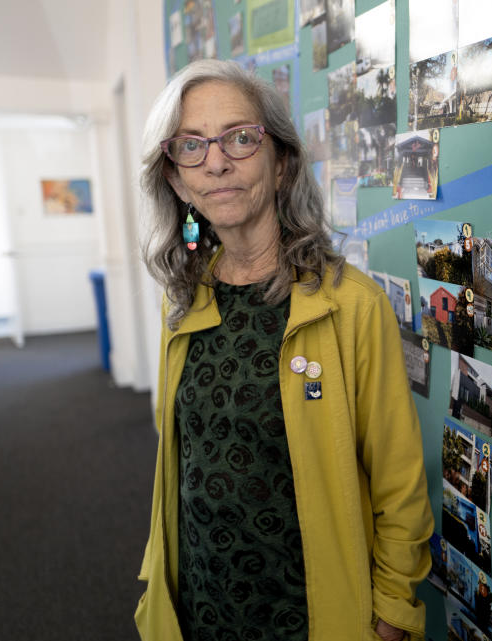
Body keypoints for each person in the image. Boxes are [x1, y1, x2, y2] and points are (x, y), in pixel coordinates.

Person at [135, 58, 434, 641]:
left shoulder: (352, 305)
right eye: (191, 146)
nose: (217, 161)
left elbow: (400, 482)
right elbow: (180, 457)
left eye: (241, 138)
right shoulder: (182, 300)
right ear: (176, 180)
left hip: (309, 611)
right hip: (203, 600)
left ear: (281, 165)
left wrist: (393, 614)